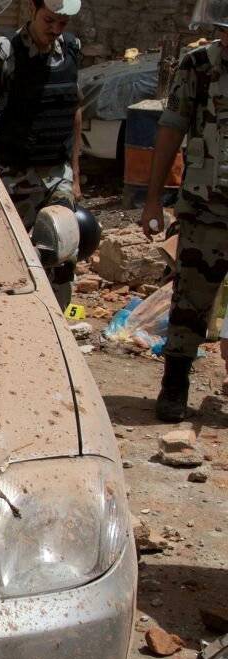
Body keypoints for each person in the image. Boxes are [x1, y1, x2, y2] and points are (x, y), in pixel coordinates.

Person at [139, 0, 228, 421]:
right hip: (206, 211)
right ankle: (174, 389)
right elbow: (171, 128)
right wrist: (153, 199)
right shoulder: (198, 68)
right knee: (190, 305)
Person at [0, 0, 83, 310]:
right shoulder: (3, 51)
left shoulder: (72, 49)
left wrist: (75, 173)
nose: (55, 29)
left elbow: (74, 111)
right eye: (49, 20)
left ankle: (55, 321)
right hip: (10, 172)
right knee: (2, 254)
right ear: (32, 10)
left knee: (63, 253)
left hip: (56, 172)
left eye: (62, 24)